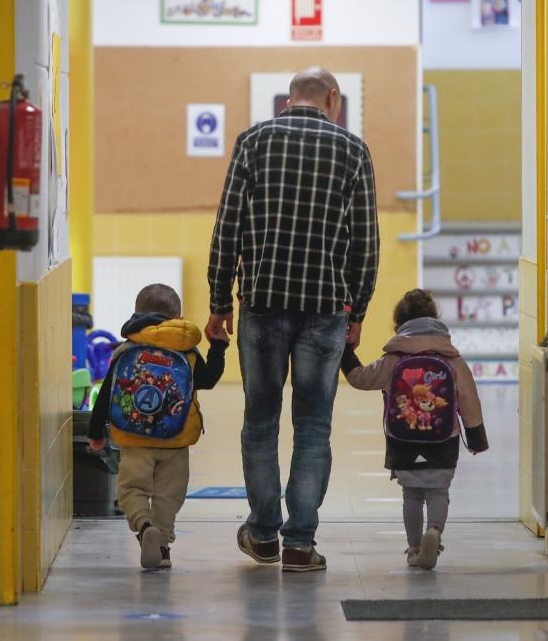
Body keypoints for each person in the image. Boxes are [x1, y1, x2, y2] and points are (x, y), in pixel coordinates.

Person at [206, 67, 380, 572]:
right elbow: (366, 243)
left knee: (259, 423)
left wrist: (219, 302)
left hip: (260, 306)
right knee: (312, 427)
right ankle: (300, 544)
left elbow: (228, 227)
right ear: (331, 98)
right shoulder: (353, 150)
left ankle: (263, 534)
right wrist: (359, 311)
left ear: (289, 98)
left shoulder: (253, 141)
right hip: (326, 312)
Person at [339, 289, 488, 570]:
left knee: (412, 494)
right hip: (444, 440)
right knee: (438, 492)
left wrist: (344, 350)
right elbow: (469, 399)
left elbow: (360, 379)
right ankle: (434, 530)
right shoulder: (452, 359)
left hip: (403, 440)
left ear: (399, 324)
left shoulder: (395, 359)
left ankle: (415, 548)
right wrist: (477, 437)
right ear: (435, 320)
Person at [88, 284, 227, 569]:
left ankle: (144, 526)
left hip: (133, 438)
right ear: (177, 315)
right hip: (175, 439)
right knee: (169, 495)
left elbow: (106, 394)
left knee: (132, 490)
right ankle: (162, 546)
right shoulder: (186, 350)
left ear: (137, 313)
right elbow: (208, 379)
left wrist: (95, 433)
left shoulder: (127, 348)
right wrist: (218, 347)